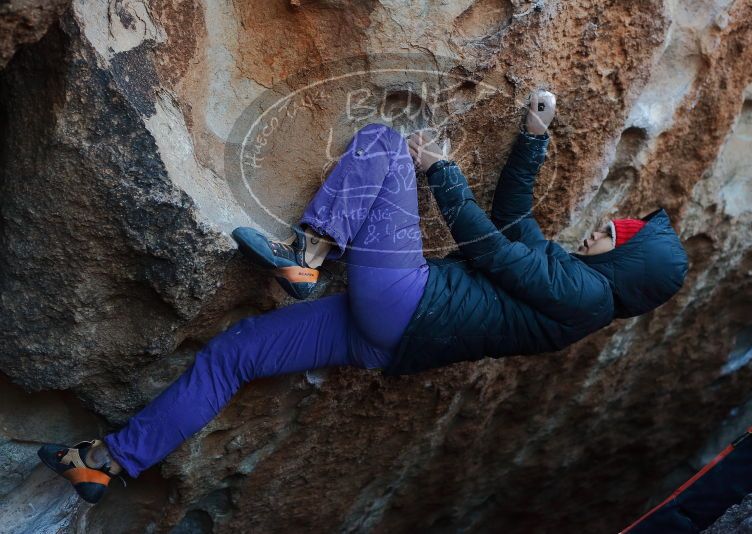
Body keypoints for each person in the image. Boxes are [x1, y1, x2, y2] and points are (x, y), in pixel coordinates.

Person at [37, 90, 688, 503]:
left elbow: (491, 249)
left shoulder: (586, 297)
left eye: (619, 235)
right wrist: (533, 138)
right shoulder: (575, 286)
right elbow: (516, 222)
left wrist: (442, 170)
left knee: (382, 142)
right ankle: (107, 462)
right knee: (234, 355)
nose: (607, 227)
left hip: (406, 303)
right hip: (387, 338)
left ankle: (309, 255)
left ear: (630, 266)